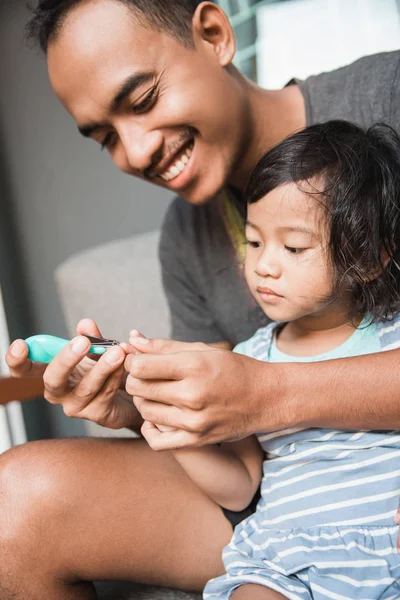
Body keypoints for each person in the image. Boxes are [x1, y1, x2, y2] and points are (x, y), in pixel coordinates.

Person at [2, 0, 400, 598]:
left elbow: (251, 398)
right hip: (286, 512)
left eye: (141, 101)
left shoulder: (388, 97)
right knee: (16, 500)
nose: (135, 154)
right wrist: (138, 410)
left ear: (214, 35)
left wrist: (266, 393)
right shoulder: (184, 241)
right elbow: (234, 456)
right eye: (106, 137)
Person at [161, 119, 400, 600]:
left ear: (370, 258)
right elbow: (240, 487)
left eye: (293, 247)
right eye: (253, 242)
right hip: (286, 561)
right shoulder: (249, 360)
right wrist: (172, 428)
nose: (264, 264)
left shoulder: (392, 338)